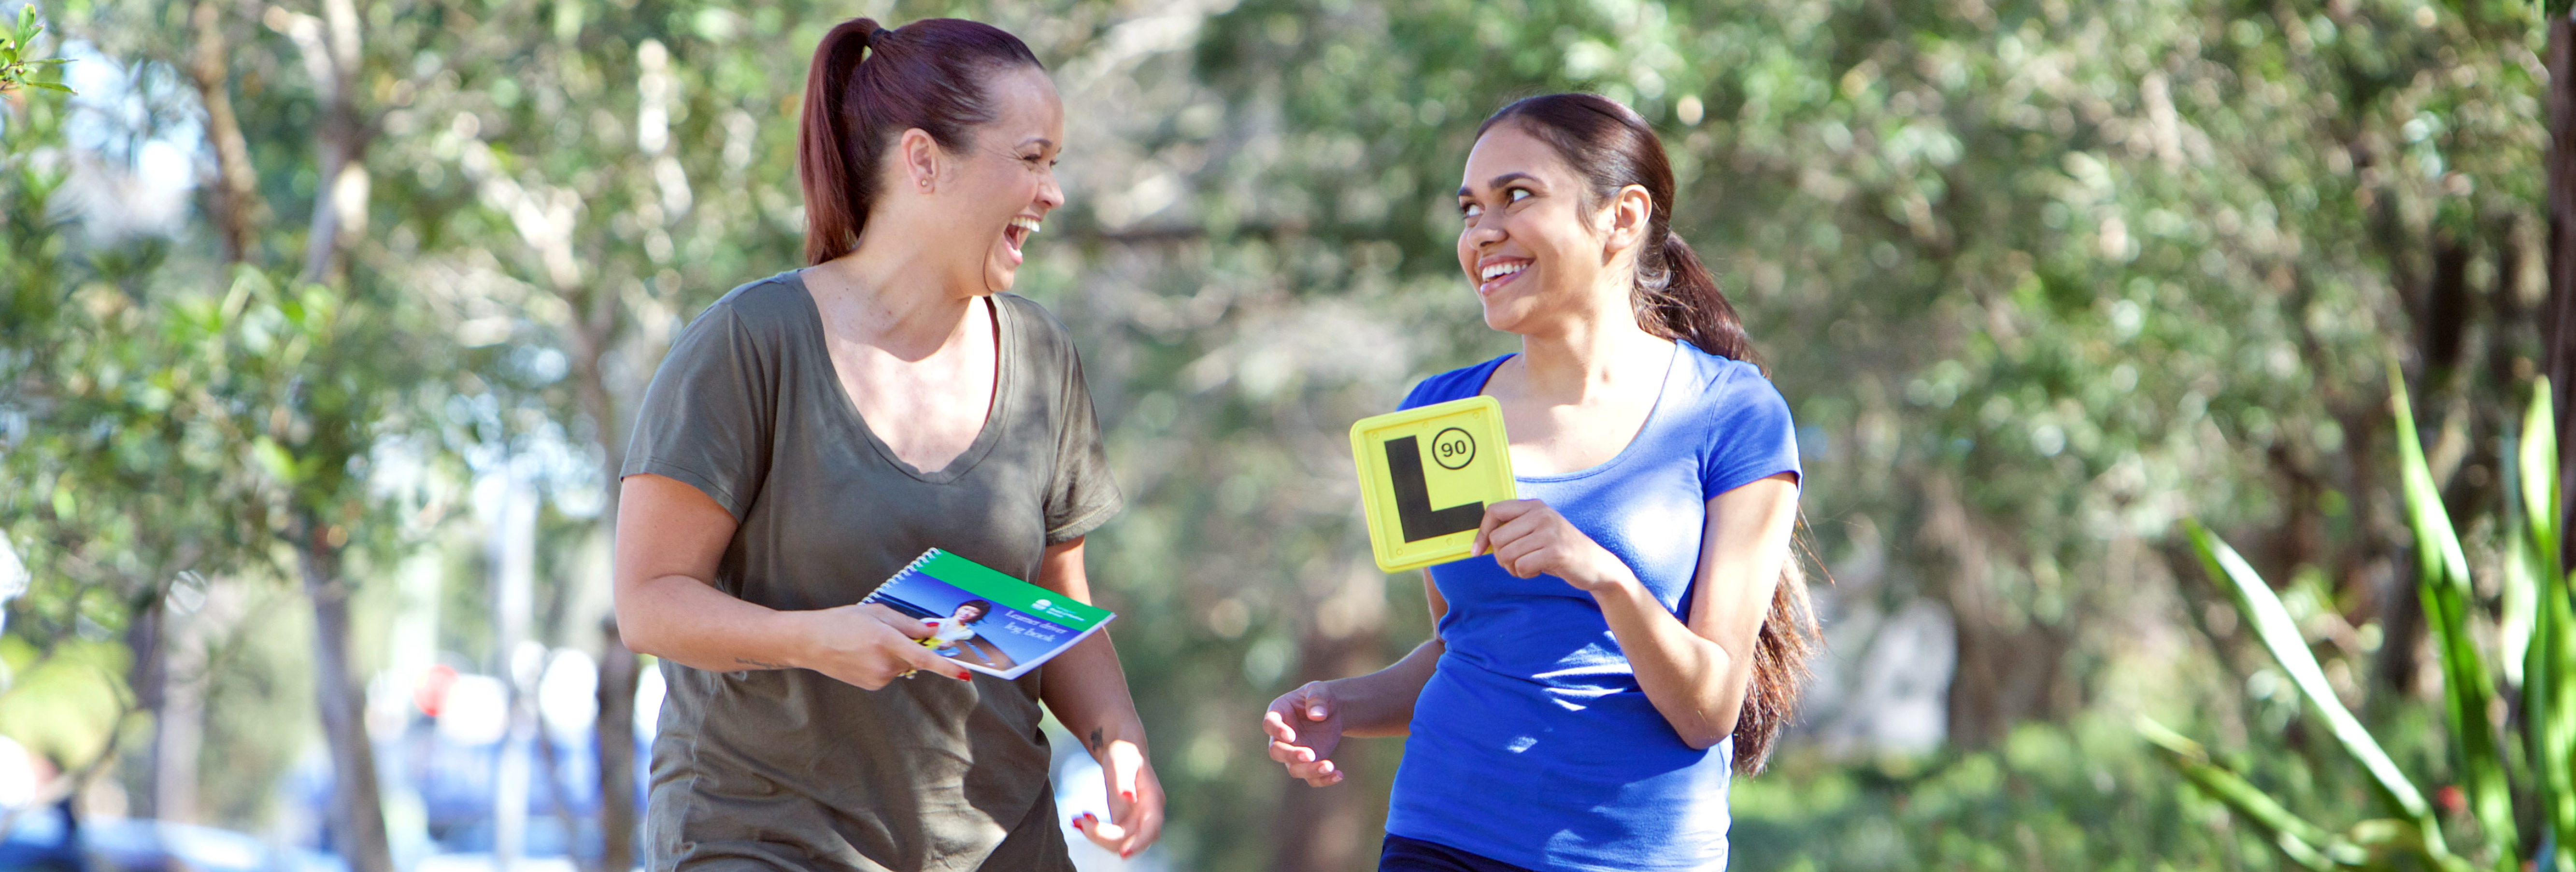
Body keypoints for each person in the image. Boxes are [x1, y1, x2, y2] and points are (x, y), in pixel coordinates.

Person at [612, 17, 1163, 871]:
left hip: (996, 840)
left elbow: (1060, 603)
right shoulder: (747, 343)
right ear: (922, 160)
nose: (1052, 192)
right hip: (765, 839)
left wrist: (1118, 741)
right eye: (1031, 158)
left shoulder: (1043, 357)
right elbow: (648, 602)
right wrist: (816, 637)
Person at [1260, 93, 1822, 872]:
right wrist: (1340, 704)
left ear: (1621, 217)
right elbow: (1465, 643)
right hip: (1440, 838)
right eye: (1468, 209)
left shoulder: (1733, 414)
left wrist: (1602, 575)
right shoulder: (1434, 413)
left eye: (1515, 196)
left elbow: (1708, 709)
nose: (1481, 231)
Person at [925, 599, 1016, 671]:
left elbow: (952, 647)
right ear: (959, 608)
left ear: (977, 617)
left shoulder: (968, 634)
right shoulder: (930, 621)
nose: (966, 613)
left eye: (974, 613)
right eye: (966, 609)